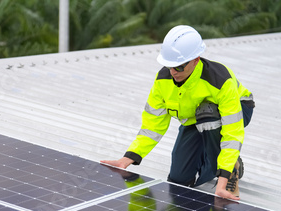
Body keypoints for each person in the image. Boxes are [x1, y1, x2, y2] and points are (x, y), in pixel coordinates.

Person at [101, 25, 255, 200]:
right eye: (169, 65)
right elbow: (152, 126)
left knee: (208, 114)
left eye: (179, 67)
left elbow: (232, 132)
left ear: (196, 60)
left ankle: (229, 167)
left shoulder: (220, 81)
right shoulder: (163, 81)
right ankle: (214, 163)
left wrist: (222, 180)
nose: (173, 72)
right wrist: (127, 158)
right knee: (179, 180)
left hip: (239, 108)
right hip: (195, 119)